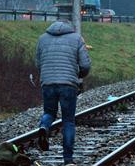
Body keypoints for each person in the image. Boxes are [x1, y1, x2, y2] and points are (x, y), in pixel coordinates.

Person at [35, 20, 91, 166]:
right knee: (68, 121)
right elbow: (85, 65)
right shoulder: (77, 38)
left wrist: (47, 75)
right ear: (70, 27)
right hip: (68, 84)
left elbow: (38, 63)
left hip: (48, 83)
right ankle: (68, 159)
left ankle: (44, 127)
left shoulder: (42, 39)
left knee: (49, 113)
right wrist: (79, 75)